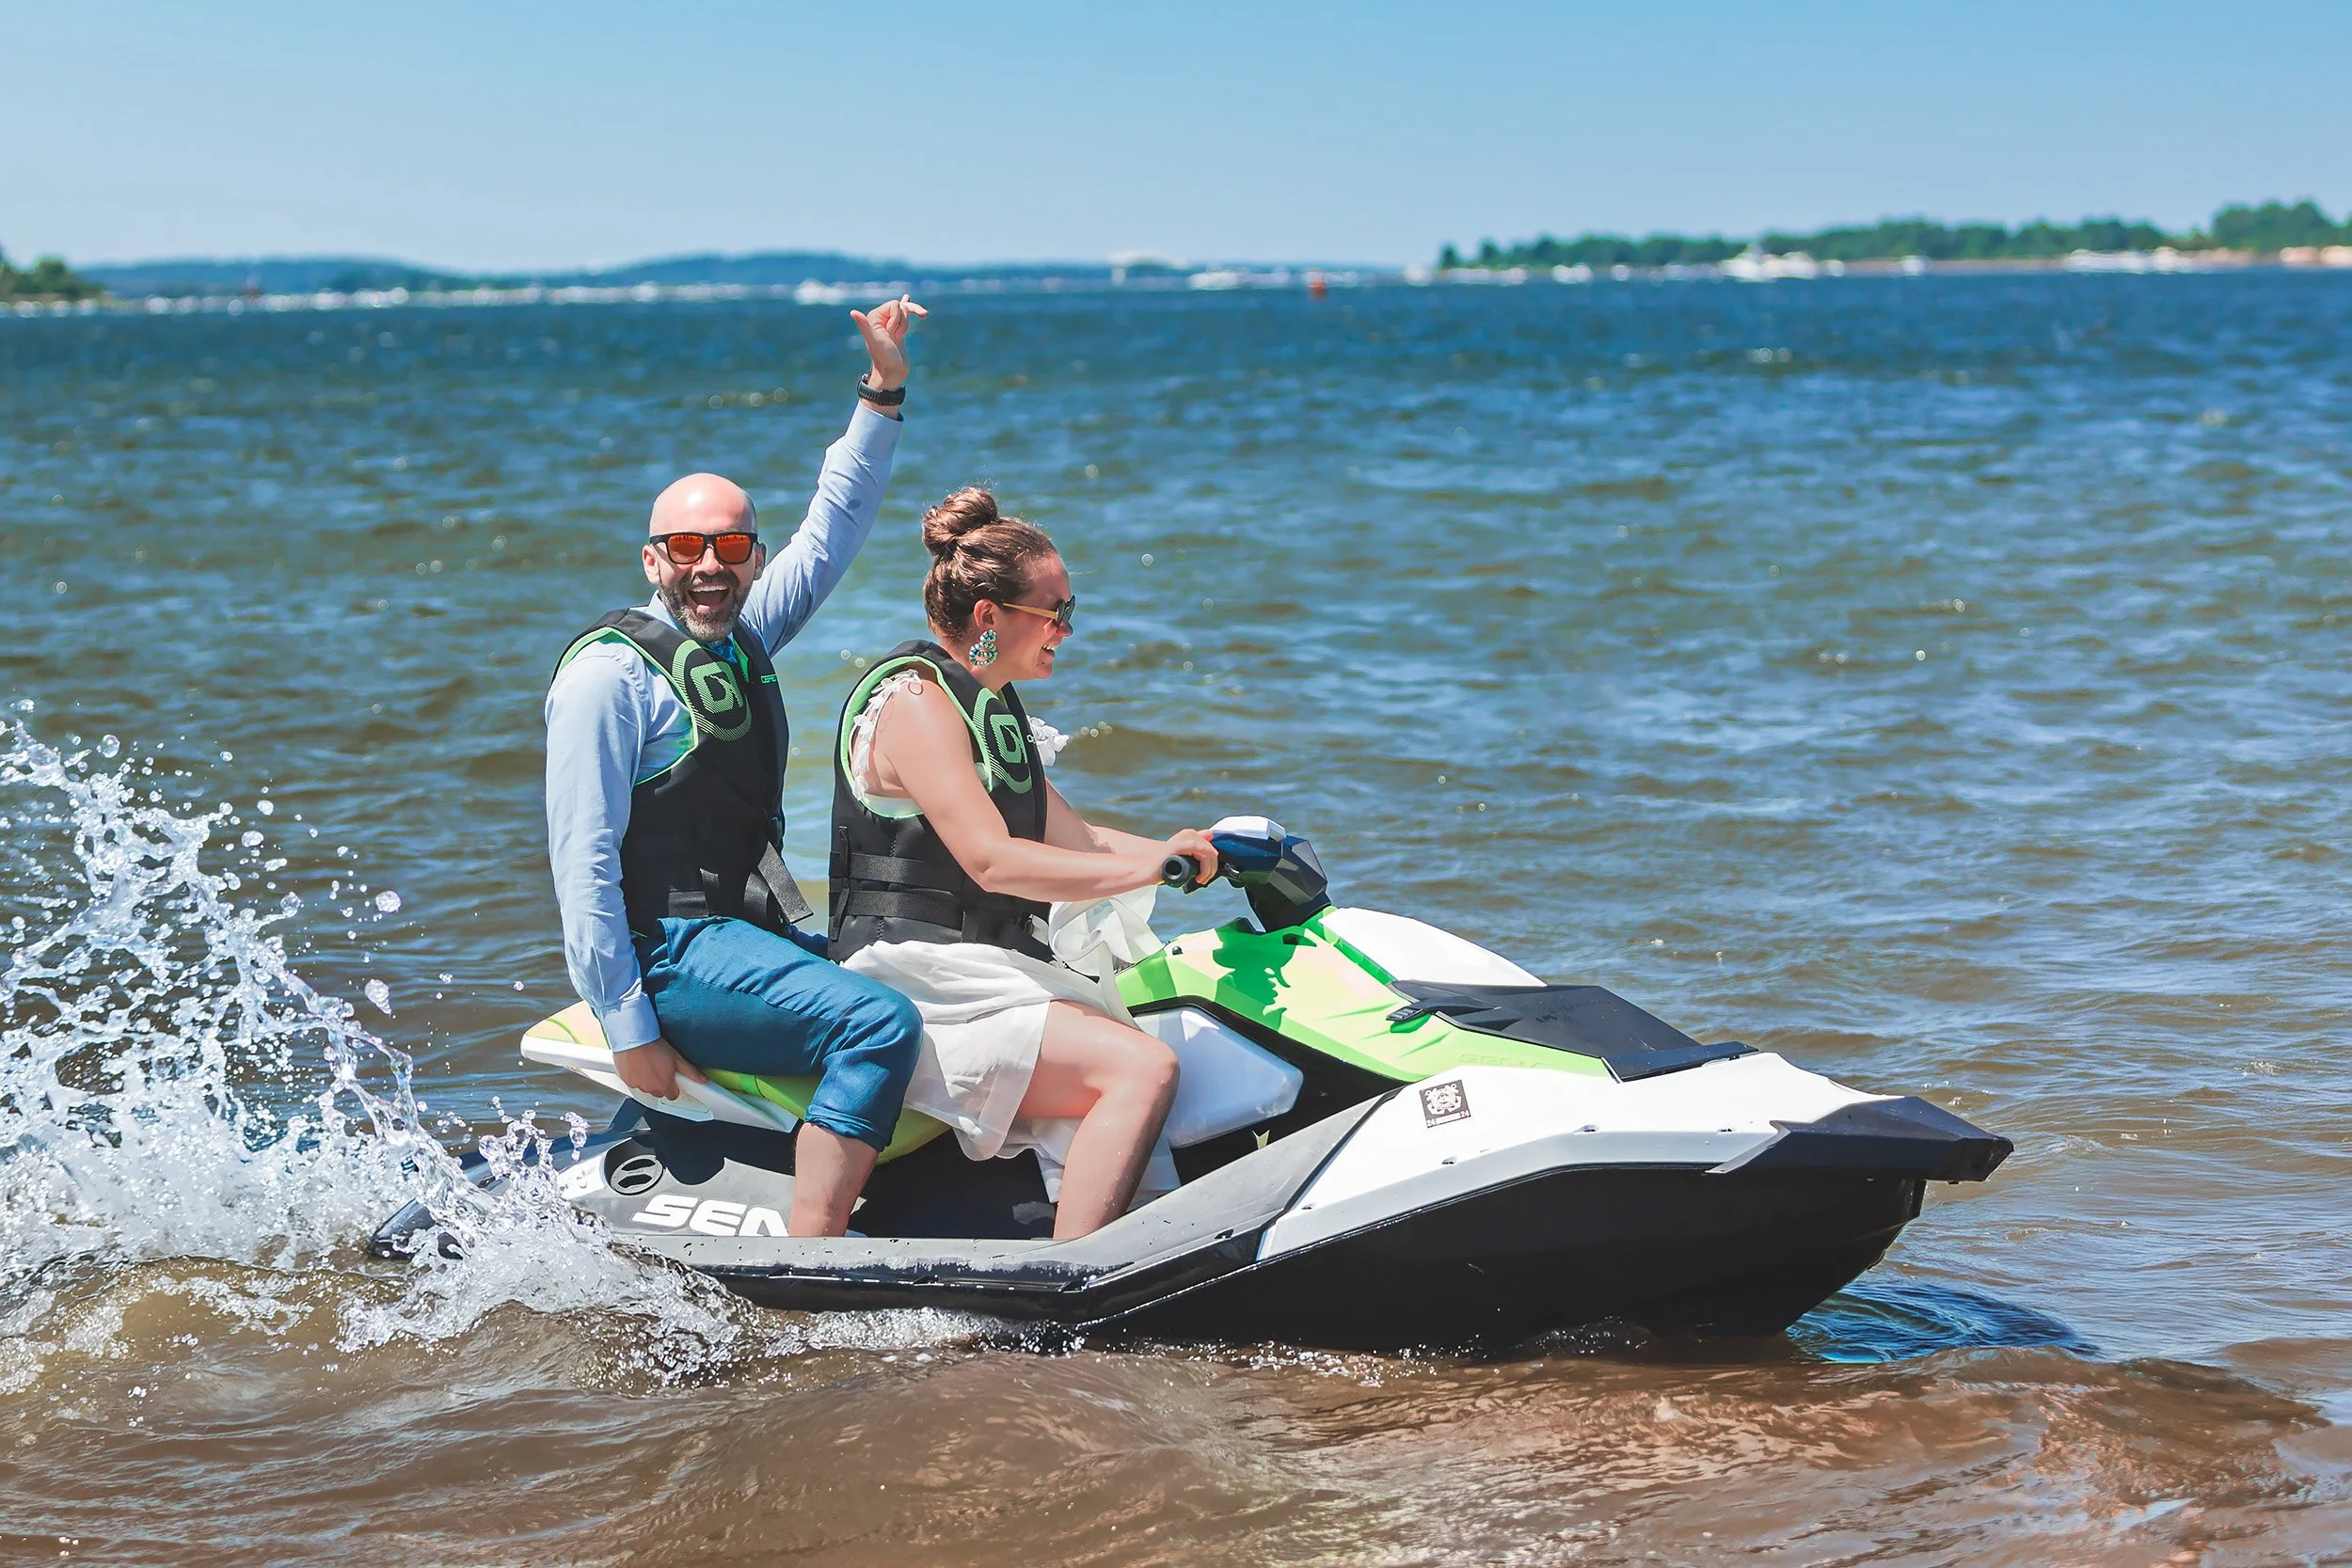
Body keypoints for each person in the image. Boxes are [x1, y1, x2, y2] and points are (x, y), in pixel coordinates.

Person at [544, 296, 930, 1238]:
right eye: (686, 548)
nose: (709, 565)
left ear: (752, 559)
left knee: (928, 979)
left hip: (744, 934)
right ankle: (816, 1249)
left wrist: (881, 393)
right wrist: (628, 1026)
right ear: (653, 559)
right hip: (671, 954)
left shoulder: (742, 637)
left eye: (729, 546)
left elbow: (832, 527)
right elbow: (581, 863)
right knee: (879, 1024)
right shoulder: (609, 676)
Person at [827, 488, 1216, 1238]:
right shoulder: (915, 704)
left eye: (1072, 610)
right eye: (1055, 612)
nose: (1067, 630)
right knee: (1141, 1068)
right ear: (988, 618)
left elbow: (1083, 842)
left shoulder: (991, 707)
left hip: (980, 971)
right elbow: (994, 860)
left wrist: (1202, 855)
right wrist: (1154, 872)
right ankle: (1077, 1283)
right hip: (913, 981)